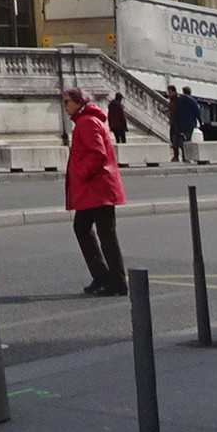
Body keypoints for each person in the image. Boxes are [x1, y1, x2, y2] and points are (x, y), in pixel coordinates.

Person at [62, 87, 126, 296]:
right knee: (85, 229)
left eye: (67, 102)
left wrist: (81, 173)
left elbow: (97, 153)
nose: (65, 107)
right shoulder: (86, 121)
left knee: (103, 233)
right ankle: (103, 276)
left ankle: (114, 280)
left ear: (79, 102)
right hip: (95, 188)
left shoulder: (87, 122)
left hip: (97, 187)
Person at [170, 86, 204, 164]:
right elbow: (197, 113)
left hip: (180, 123)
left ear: (183, 91)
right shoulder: (192, 101)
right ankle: (186, 157)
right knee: (187, 140)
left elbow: (176, 111)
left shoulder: (179, 100)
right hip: (190, 124)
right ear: (190, 92)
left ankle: (177, 156)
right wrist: (200, 121)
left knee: (179, 139)